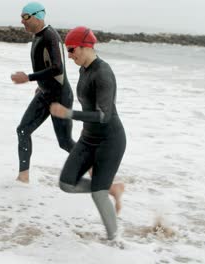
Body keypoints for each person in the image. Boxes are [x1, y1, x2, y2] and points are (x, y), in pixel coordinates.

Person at [49, 26, 127, 240]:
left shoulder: (103, 73)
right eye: (67, 50)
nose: (69, 55)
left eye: (72, 50)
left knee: (98, 193)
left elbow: (104, 115)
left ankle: (116, 243)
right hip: (88, 137)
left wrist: (69, 113)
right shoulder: (84, 70)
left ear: (85, 47)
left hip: (109, 140)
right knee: (66, 183)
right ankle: (112, 187)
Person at [11, 2, 75, 183]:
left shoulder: (50, 36)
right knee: (23, 130)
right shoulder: (37, 36)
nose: (22, 21)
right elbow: (46, 66)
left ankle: (95, 167)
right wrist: (40, 83)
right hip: (45, 92)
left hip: (59, 97)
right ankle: (23, 177)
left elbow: (57, 68)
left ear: (38, 16)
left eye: (25, 17)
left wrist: (29, 77)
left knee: (65, 142)